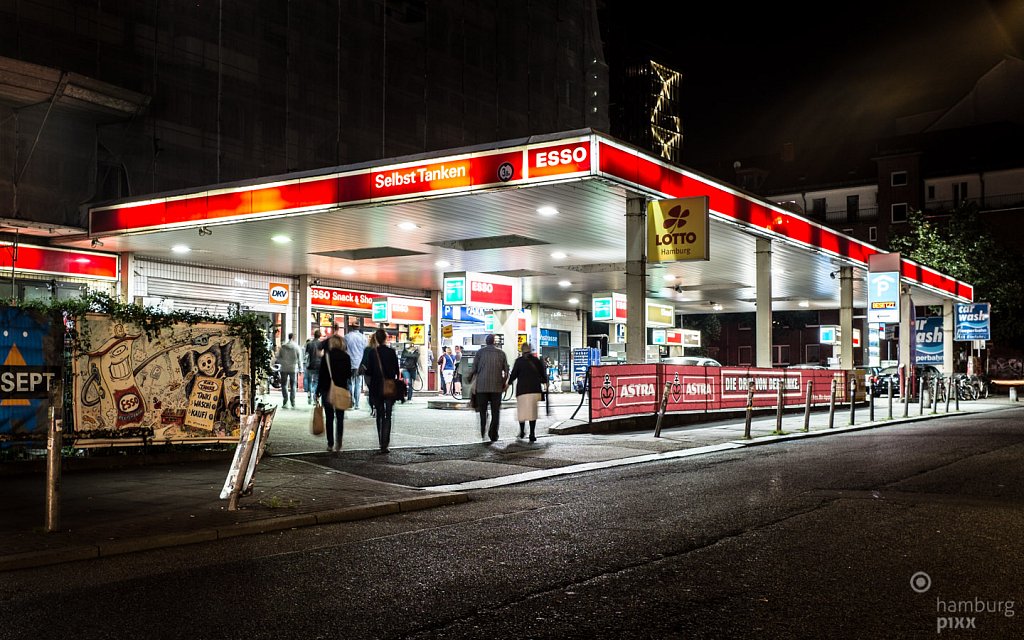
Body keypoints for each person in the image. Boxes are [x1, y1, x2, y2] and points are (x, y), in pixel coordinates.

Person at [360, 328, 401, 453]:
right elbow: (396, 370)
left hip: (377, 387)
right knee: (388, 414)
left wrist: (364, 371)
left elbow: (370, 371)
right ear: (386, 338)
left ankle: (380, 442)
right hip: (389, 386)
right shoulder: (391, 352)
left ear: (376, 338)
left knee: (379, 414)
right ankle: (386, 443)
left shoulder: (373, 353)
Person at [468, 334, 509, 442]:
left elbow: (474, 369)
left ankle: (483, 430)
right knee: (496, 411)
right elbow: (506, 371)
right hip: (496, 387)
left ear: (486, 342)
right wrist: (503, 383)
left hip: (482, 387)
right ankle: (493, 433)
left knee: (483, 410)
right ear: (494, 342)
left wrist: (469, 378)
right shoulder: (501, 353)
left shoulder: (480, 352)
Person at [507, 343, 547, 442]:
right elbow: (543, 373)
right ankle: (532, 433)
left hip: (522, 391)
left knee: (522, 412)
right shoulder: (536, 361)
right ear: (530, 350)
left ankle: (522, 431)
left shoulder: (519, 361)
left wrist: (507, 384)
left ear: (521, 350)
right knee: (532, 413)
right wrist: (546, 383)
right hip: (534, 390)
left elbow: (514, 375)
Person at [317, 334, 351, 452]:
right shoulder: (346, 357)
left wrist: (317, 391)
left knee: (329, 417)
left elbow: (321, 376)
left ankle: (330, 443)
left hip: (327, 389)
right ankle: (339, 443)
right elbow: (348, 375)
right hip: (341, 389)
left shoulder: (326, 357)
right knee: (340, 417)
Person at [274, 332, 303, 409]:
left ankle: (285, 400)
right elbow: (299, 359)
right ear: (293, 337)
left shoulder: (283, 347)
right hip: (293, 368)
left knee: (284, 384)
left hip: (284, 368)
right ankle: (292, 401)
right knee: (293, 385)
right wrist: (300, 368)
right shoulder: (296, 347)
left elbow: (278, 357)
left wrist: (282, 362)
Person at [344, 323, 367, 410]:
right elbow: (365, 350)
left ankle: (351, 402)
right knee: (358, 384)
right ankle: (357, 404)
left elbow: (344, 349)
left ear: (351, 327)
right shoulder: (363, 337)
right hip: (359, 363)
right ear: (359, 327)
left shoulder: (346, 337)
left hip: (349, 363)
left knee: (350, 383)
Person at [304, 329, 323, 404]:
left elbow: (306, 354)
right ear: (319, 336)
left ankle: (309, 395)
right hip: (319, 365)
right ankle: (315, 395)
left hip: (310, 364)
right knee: (316, 381)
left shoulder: (309, 344)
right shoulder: (321, 344)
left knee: (309, 381)